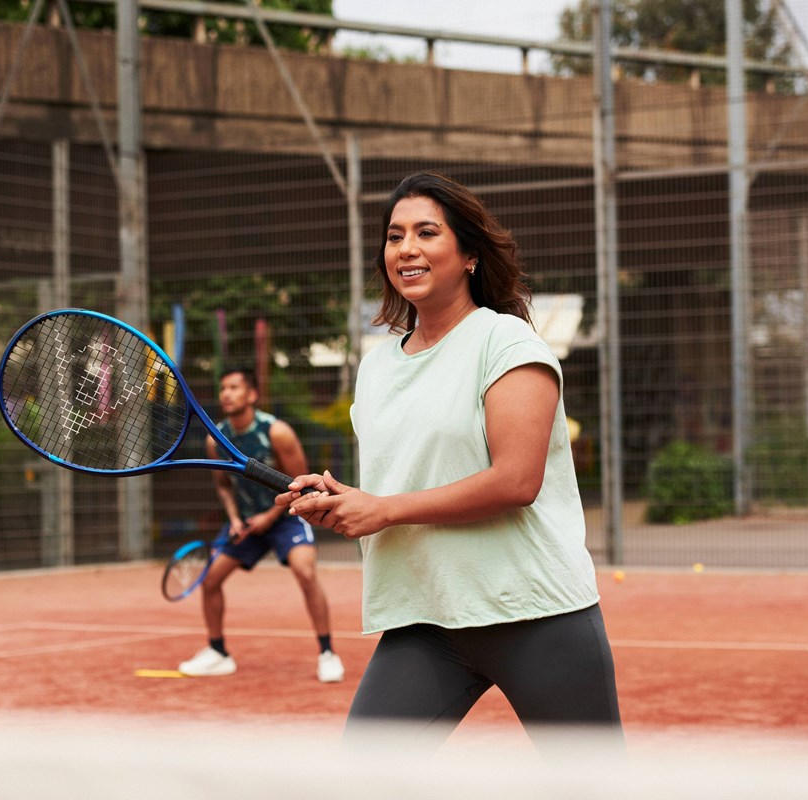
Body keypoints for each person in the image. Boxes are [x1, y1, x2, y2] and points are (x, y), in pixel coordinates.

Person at [277, 171, 622, 752]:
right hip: (426, 618)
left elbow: (516, 481)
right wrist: (345, 498)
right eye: (394, 235)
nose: (406, 248)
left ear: (467, 254)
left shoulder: (507, 343)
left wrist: (383, 509)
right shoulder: (378, 365)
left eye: (427, 232)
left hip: (532, 612)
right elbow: (413, 476)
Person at [178, 367, 345, 684]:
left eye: (234, 387)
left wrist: (268, 518)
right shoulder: (216, 440)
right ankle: (218, 653)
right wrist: (235, 518)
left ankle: (327, 653)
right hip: (246, 523)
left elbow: (299, 485)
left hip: (286, 517)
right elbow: (224, 486)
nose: (226, 393)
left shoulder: (276, 432)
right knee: (210, 579)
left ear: (252, 395)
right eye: (223, 387)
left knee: (305, 572)